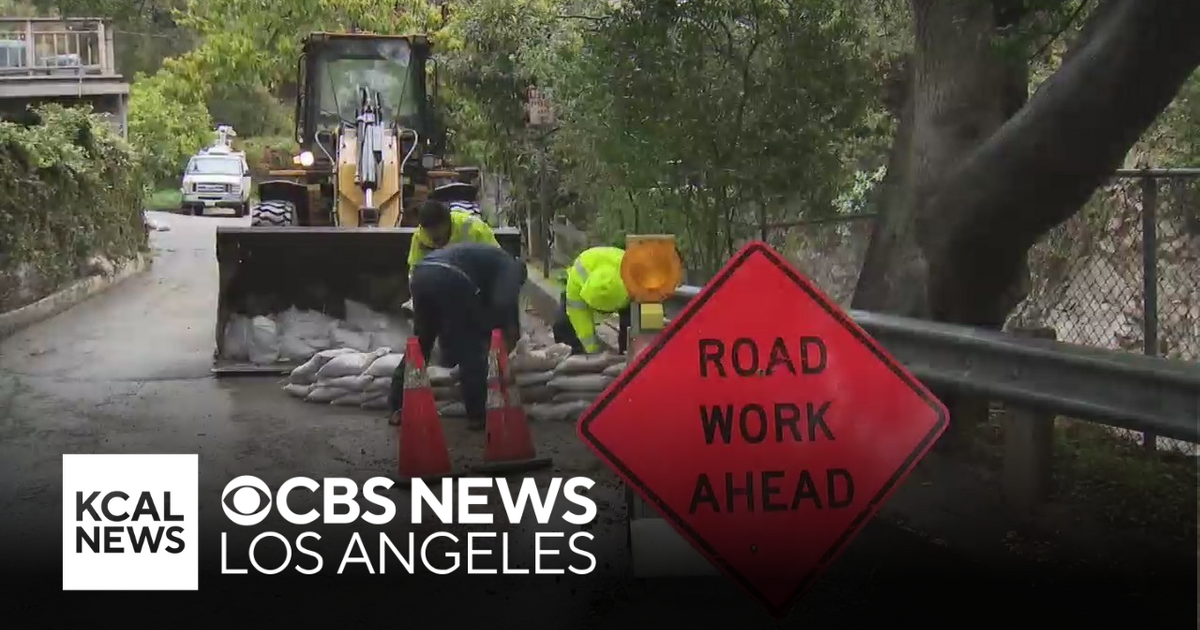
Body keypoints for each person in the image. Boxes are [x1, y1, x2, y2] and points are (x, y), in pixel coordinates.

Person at [389, 242, 528, 430]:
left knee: (420, 345)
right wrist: (510, 335)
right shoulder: (510, 268)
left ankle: (397, 406)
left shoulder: (490, 258)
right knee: (470, 347)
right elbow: (504, 305)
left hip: (422, 274)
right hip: (450, 276)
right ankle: (477, 415)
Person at [553, 246, 631, 356]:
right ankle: (572, 352)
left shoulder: (634, 274)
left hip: (623, 276)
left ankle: (625, 353)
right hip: (583, 274)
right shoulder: (575, 286)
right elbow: (580, 321)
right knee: (562, 324)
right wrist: (593, 350)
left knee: (630, 323)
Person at [406, 199, 499, 277]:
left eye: (437, 236)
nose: (435, 241)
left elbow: (497, 260)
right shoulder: (420, 237)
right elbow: (415, 272)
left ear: (447, 222)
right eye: (430, 235)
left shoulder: (474, 228)